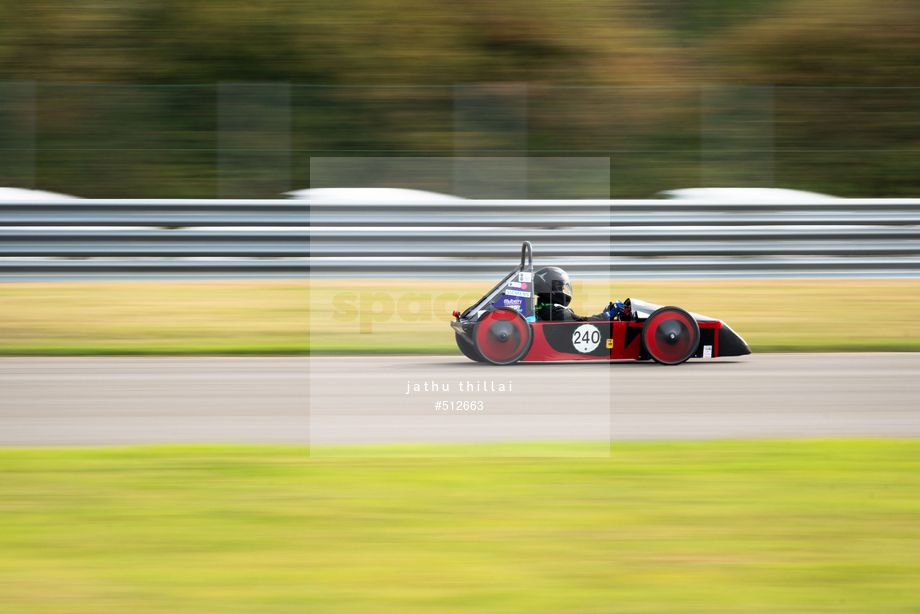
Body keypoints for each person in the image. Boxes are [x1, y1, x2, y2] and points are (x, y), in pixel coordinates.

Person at [534, 266, 626, 322]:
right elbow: (583, 322)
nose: (563, 289)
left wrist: (604, 315)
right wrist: (607, 315)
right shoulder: (555, 311)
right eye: (561, 286)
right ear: (552, 287)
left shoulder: (542, 307)